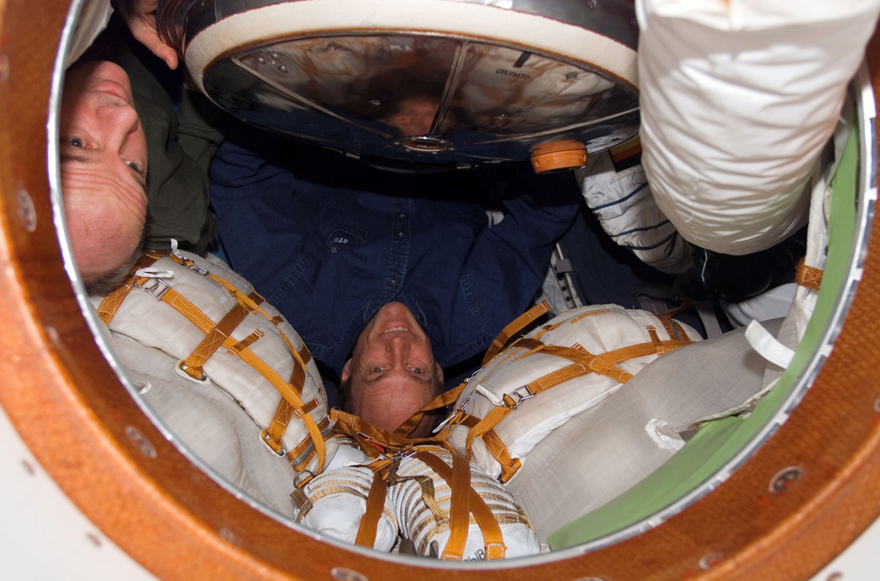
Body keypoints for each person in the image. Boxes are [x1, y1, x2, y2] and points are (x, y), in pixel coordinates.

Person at [210, 131, 583, 418]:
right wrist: (508, 136)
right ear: (438, 370)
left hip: (337, 118)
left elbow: (240, 181)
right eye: (417, 370)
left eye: (377, 369)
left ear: (348, 371)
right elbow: (543, 217)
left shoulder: (295, 305)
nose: (398, 345)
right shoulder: (477, 318)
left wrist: (301, 112)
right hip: (459, 132)